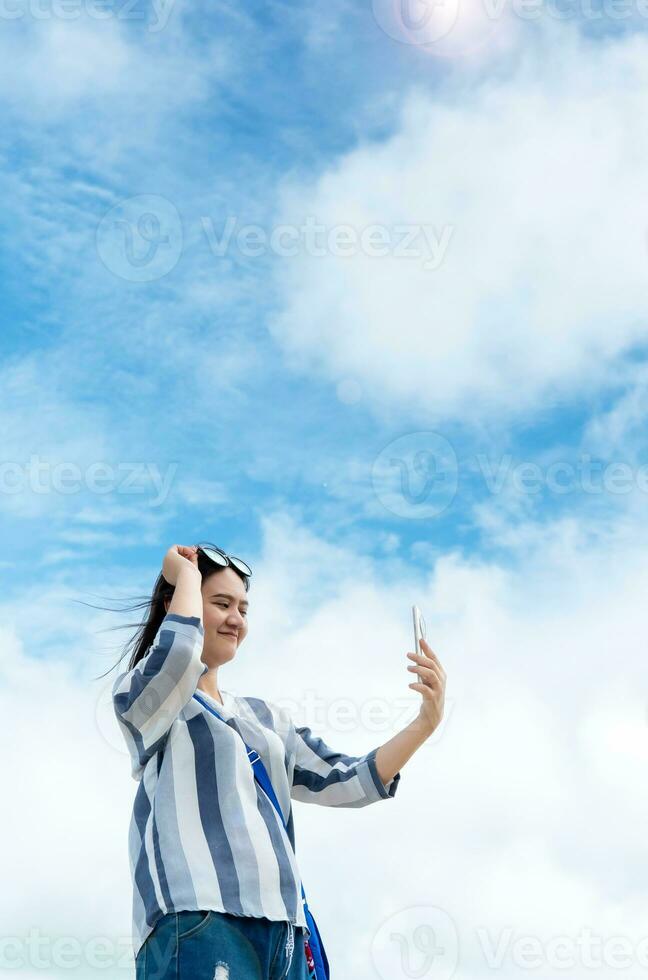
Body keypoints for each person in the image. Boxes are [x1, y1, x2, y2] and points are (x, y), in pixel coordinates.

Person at [109, 542, 416, 980]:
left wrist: (425, 722)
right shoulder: (151, 699)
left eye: (244, 608)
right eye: (221, 604)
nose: (236, 619)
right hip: (200, 919)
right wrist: (187, 578)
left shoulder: (264, 717)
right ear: (183, 603)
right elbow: (176, 658)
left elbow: (349, 780)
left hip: (285, 935)